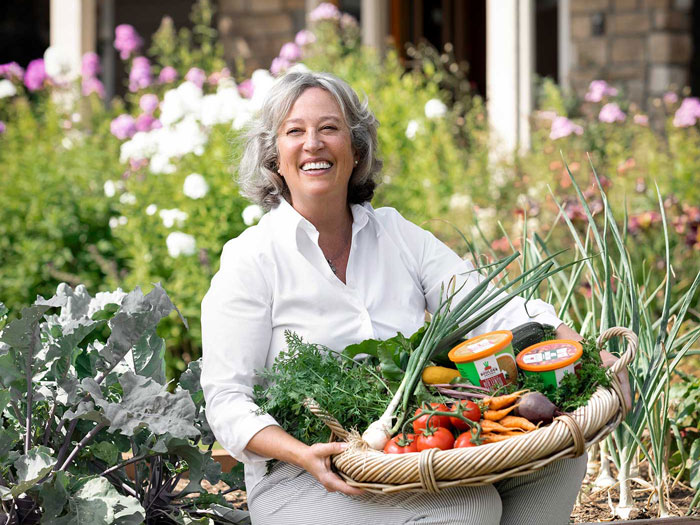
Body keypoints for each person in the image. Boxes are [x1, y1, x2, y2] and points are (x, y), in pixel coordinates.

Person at [200, 71, 629, 524]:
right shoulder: (251, 259)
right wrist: (304, 454)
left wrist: (576, 346)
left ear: (357, 148)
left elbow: (483, 305)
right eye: (295, 132)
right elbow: (227, 400)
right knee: (468, 507)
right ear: (275, 160)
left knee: (557, 460)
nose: (313, 143)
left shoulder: (395, 234)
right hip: (302, 473)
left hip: (407, 449)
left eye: (329, 128)